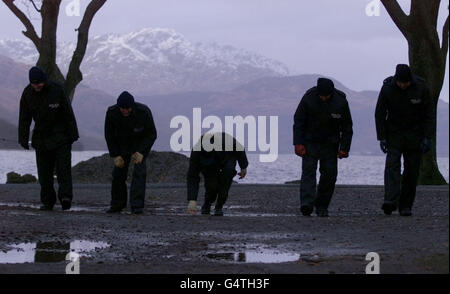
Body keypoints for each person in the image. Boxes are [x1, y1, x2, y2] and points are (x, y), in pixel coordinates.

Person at [375, 64, 434, 216]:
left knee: (411, 171)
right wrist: (382, 137)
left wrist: (428, 137)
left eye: (406, 83)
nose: (403, 85)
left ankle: (406, 205)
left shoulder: (421, 88)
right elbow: (380, 113)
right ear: (396, 80)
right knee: (391, 168)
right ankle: (390, 200)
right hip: (394, 135)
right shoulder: (388, 88)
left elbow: (429, 114)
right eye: (400, 83)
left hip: (415, 136)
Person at [18, 66, 79, 211]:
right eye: (34, 84)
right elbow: (24, 118)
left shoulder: (57, 89)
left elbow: (68, 113)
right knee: (44, 173)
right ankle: (47, 201)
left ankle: (65, 198)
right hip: (41, 138)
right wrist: (23, 139)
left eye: (39, 83)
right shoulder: (27, 93)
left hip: (61, 136)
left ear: (44, 81)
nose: (37, 86)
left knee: (63, 170)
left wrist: (73, 135)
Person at [293, 78, 353, 217]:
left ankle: (322, 205)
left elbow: (347, 127)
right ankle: (306, 204)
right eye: (321, 96)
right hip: (310, 142)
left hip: (330, 144)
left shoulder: (341, 101)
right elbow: (299, 121)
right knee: (308, 172)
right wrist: (298, 143)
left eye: (326, 96)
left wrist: (345, 147)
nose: (323, 98)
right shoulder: (308, 98)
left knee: (329, 175)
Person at [104, 91, 157, 214]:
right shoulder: (111, 113)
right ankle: (117, 204)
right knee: (118, 174)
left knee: (139, 173)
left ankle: (137, 206)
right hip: (121, 146)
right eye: (122, 108)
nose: (125, 111)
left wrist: (141, 152)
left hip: (138, 146)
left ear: (132, 107)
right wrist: (115, 155)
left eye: (128, 108)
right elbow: (109, 135)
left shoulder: (144, 112)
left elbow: (151, 134)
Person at [186, 132, 248, 216]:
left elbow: (240, 149)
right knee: (211, 186)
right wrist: (192, 200)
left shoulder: (227, 142)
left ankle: (219, 206)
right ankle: (207, 204)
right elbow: (192, 176)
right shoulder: (196, 152)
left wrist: (243, 167)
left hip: (228, 158)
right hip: (209, 167)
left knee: (225, 182)